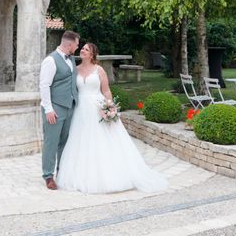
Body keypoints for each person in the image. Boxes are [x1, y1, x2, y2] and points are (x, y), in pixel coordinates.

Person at [56, 42, 168, 194]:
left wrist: (109, 107)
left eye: (86, 49)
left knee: (102, 140)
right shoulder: (75, 70)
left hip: (97, 107)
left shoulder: (99, 70)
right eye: (82, 48)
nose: (82, 50)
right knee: (81, 140)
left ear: (92, 54)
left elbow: (106, 91)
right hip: (81, 109)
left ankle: (111, 176)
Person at [39, 30, 80, 190]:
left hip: (70, 107)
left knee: (64, 142)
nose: (77, 48)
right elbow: (44, 85)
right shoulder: (50, 60)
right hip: (55, 108)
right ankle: (48, 176)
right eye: (76, 45)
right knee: (51, 142)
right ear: (69, 44)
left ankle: (61, 172)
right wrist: (48, 109)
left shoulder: (71, 60)